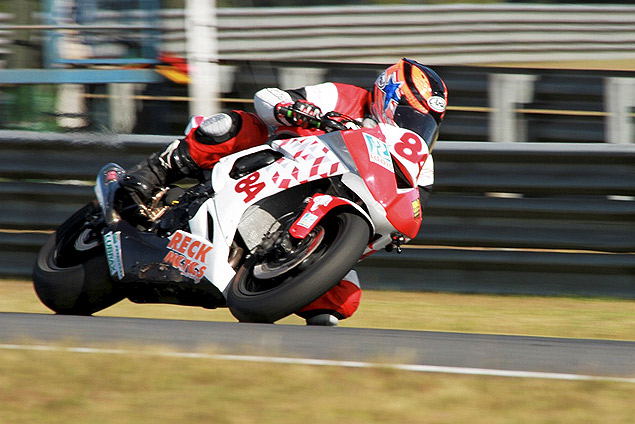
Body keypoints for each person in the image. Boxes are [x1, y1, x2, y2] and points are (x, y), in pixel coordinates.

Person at [121, 58, 448, 326]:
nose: (413, 129)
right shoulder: (344, 96)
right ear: (387, 96)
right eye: (408, 116)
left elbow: (411, 208)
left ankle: (270, 276)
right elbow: (268, 96)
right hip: (280, 159)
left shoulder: (420, 161)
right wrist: (294, 110)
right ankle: (153, 174)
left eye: (424, 125)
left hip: (328, 207)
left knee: (341, 301)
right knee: (229, 126)